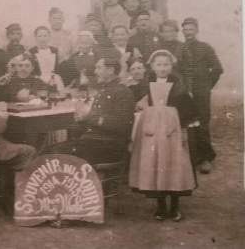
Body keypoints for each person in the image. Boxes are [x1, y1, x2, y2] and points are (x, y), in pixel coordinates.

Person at [129, 50, 199, 222]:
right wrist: (142, 105)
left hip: (171, 129)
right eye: (159, 65)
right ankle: (160, 205)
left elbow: (187, 109)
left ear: (171, 65)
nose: (162, 68)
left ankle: (175, 205)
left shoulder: (178, 84)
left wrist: (182, 130)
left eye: (166, 65)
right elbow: (138, 101)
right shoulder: (146, 83)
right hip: (151, 129)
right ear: (152, 66)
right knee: (155, 163)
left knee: (173, 163)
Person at [43, 57, 135, 165]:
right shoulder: (104, 90)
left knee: (53, 154)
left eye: (99, 68)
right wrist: (82, 120)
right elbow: (95, 121)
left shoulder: (123, 93)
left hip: (109, 146)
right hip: (93, 142)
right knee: (47, 152)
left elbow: (120, 124)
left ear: (110, 70)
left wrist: (88, 116)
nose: (95, 72)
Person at [176, 18, 223, 174]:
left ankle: (205, 158)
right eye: (185, 30)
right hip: (185, 91)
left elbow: (217, 69)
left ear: (196, 31)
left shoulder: (205, 48)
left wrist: (206, 85)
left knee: (202, 123)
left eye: (191, 29)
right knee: (188, 123)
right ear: (182, 32)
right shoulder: (180, 48)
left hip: (201, 92)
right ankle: (192, 158)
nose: (188, 32)